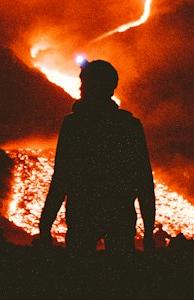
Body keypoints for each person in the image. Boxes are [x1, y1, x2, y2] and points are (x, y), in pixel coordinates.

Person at [37, 58, 156, 253]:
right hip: (119, 216)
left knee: (81, 277)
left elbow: (61, 177)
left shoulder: (74, 126)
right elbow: (143, 181)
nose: (80, 90)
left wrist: (45, 223)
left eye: (84, 84)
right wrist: (148, 231)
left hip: (83, 216)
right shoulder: (129, 126)